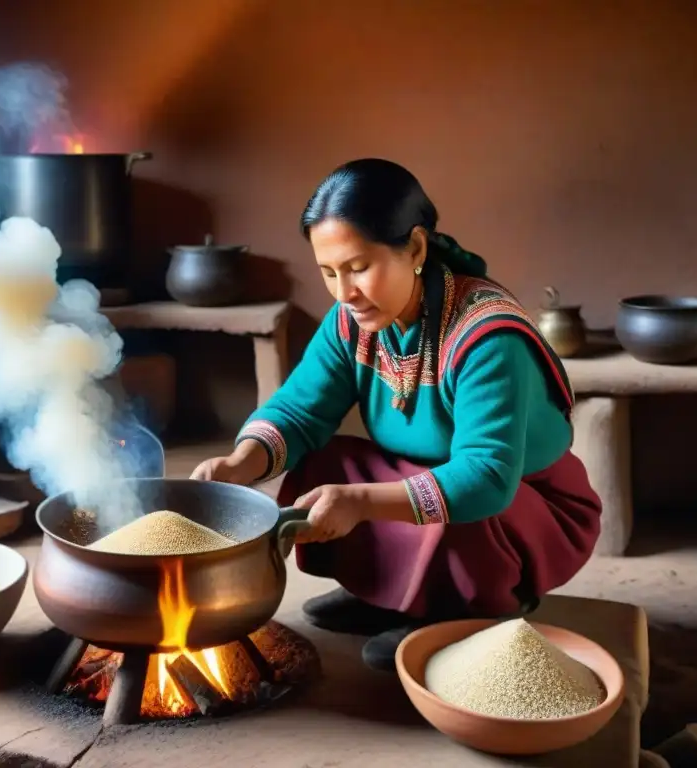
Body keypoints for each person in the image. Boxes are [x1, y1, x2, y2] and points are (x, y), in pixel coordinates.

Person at [191, 158, 602, 672]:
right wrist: (239, 464)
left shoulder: (487, 336)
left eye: (358, 267)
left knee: (452, 502)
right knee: (332, 463)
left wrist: (361, 502)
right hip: (432, 476)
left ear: (415, 248)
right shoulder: (353, 321)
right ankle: (392, 596)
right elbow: (299, 410)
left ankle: (476, 611)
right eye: (328, 272)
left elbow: (486, 477)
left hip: (524, 504)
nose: (344, 293)